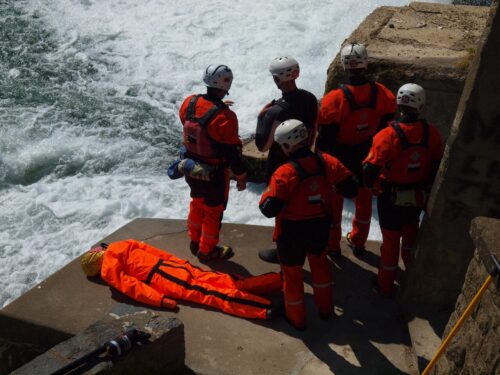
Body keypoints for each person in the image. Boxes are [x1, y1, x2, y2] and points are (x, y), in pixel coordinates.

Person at [259, 119, 358, 330]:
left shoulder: (284, 173)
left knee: (293, 274)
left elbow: (268, 209)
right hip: (320, 226)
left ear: (286, 146)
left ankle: (296, 318)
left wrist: (269, 192)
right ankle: (325, 311)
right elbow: (351, 188)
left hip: (291, 232)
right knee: (320, 264)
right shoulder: (328, 162)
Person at [316, 43, 396, 259]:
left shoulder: (334, 99)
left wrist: (323, 164)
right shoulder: (383, 93)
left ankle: (333, 246)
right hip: (368, 154)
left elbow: (325, 139)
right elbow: (387, 127)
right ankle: (359, 241)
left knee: (334, 205)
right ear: (365, 64)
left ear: (344, 66)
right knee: (364, 202)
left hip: (340, 157)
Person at [363, 83, 443, 297]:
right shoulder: (432, 134)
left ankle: (384, 286)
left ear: (399, 104)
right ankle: (412, 281)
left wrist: (376, 187)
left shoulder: (387, 135)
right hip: (416, 197)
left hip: (390, 198)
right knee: (410, 238)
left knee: (390, 244)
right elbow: (437, 165)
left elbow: (369, 171)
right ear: (421, 105)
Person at [81, 239, 283, 320]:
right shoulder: (120, 244)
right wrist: (180, 262)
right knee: (221, 280)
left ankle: (265, 309)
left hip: (161, 279)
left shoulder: (108, 270)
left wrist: (161, 301)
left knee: (210, 294)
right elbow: (155, 251)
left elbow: (133, 287)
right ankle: (274, 281)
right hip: (173, 266)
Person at [179, 64, 247, 261]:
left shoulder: (188, 103)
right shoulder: (225, 117)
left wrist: (219, 108)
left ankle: (194, 240)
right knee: (213, 211)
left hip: (191, 167)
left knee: (196, 202)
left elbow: (194, 123)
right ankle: (208, 250)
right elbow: (231, 152)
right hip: (214, 172)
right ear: (226, 85)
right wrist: (241, 176)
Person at [255, 56, 318, 263]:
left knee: (283, 208)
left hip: (281, 164)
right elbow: (313, 130)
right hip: (306, 158)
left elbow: (262, 146)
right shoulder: (310, 98)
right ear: (296, 73)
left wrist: (261, 118)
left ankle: (284, 249)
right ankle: (309, 245)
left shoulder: (276, 111)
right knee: (305, 202)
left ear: (276, 80)